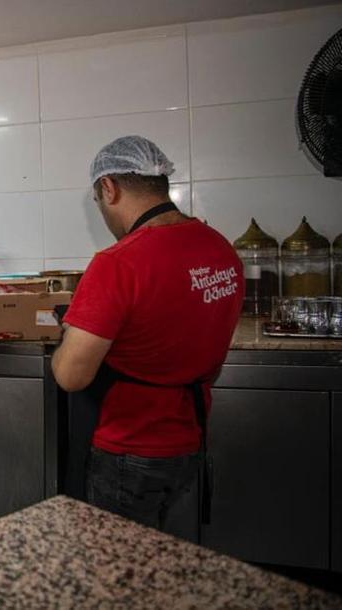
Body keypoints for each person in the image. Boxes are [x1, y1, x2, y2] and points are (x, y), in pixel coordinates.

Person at [51, 135, 243, 535]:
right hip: (189, 439)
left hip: (128, 447)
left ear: (109, 188)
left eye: (99, 202)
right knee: (165, 565)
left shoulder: (118, 263)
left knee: (119, 574)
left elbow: (71, 376)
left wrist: (71, 334)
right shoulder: (219, 247)